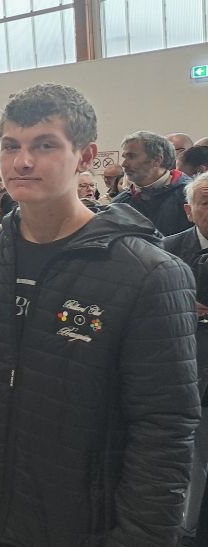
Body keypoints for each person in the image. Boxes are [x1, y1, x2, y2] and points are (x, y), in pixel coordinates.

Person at [0, 83, 200, 546]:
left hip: (79, 521)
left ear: (84, 156)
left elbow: (164, 427)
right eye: (11, 146)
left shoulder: (149, 274)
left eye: (44, 145)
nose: (22, 161)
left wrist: (143, 537)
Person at [164, 173, 208, 545]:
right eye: (206, 203)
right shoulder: (168, 250)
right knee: (191, 455)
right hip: (185, 365)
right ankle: (188, 530)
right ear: (189, 211)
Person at [113, 130, 192, 236]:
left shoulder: (190, 196)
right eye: (124, 157)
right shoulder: (120, 203)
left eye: (131, 156)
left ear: (157, 160)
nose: (124, 164)